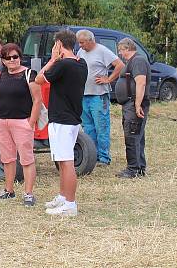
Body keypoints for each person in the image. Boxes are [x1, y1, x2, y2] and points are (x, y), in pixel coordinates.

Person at [35, 29, 87, 217]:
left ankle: (70, 204)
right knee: (62, 161)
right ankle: (64, 197)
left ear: (59, 45)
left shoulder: (62, 65)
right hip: (70, 118)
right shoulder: (81, 64)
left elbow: (39, 79)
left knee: (66, 163)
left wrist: (52, 60)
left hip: (63, 120)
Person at [0, 42, 42, 206]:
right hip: (1, 122)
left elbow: (38, 100)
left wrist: (31, 122)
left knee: (26, 159)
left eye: (15, 56)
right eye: (8, 57)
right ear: (3, 61)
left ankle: (28, 193)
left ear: (20, 57)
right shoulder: (1, 76)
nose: (12, 60)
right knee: (7, 158)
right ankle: (9, 190)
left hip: (21, 122)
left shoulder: (29, 74)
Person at [75, 29, 124, 166]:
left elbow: (120, 65)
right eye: (79, 43)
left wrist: (108, 79)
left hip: (98, 96)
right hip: (84, 95)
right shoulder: (81, 52)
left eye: (83, 42)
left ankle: (104, 157)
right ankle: (92, 155)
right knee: (88, 127)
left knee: (101, 126)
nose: (80, 45)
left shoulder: (102, 51)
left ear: (91, 40)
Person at [114, 37, 150, 179]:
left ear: (127, 48)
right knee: (136, 136)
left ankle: (133, 169)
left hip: (134, 103)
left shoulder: (138, 61)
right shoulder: (133, 61)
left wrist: (137, 104)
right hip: (130, 103)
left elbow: (140, 83)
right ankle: (139, 167)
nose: (120, 54)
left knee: (132, 135)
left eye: (121, 51)